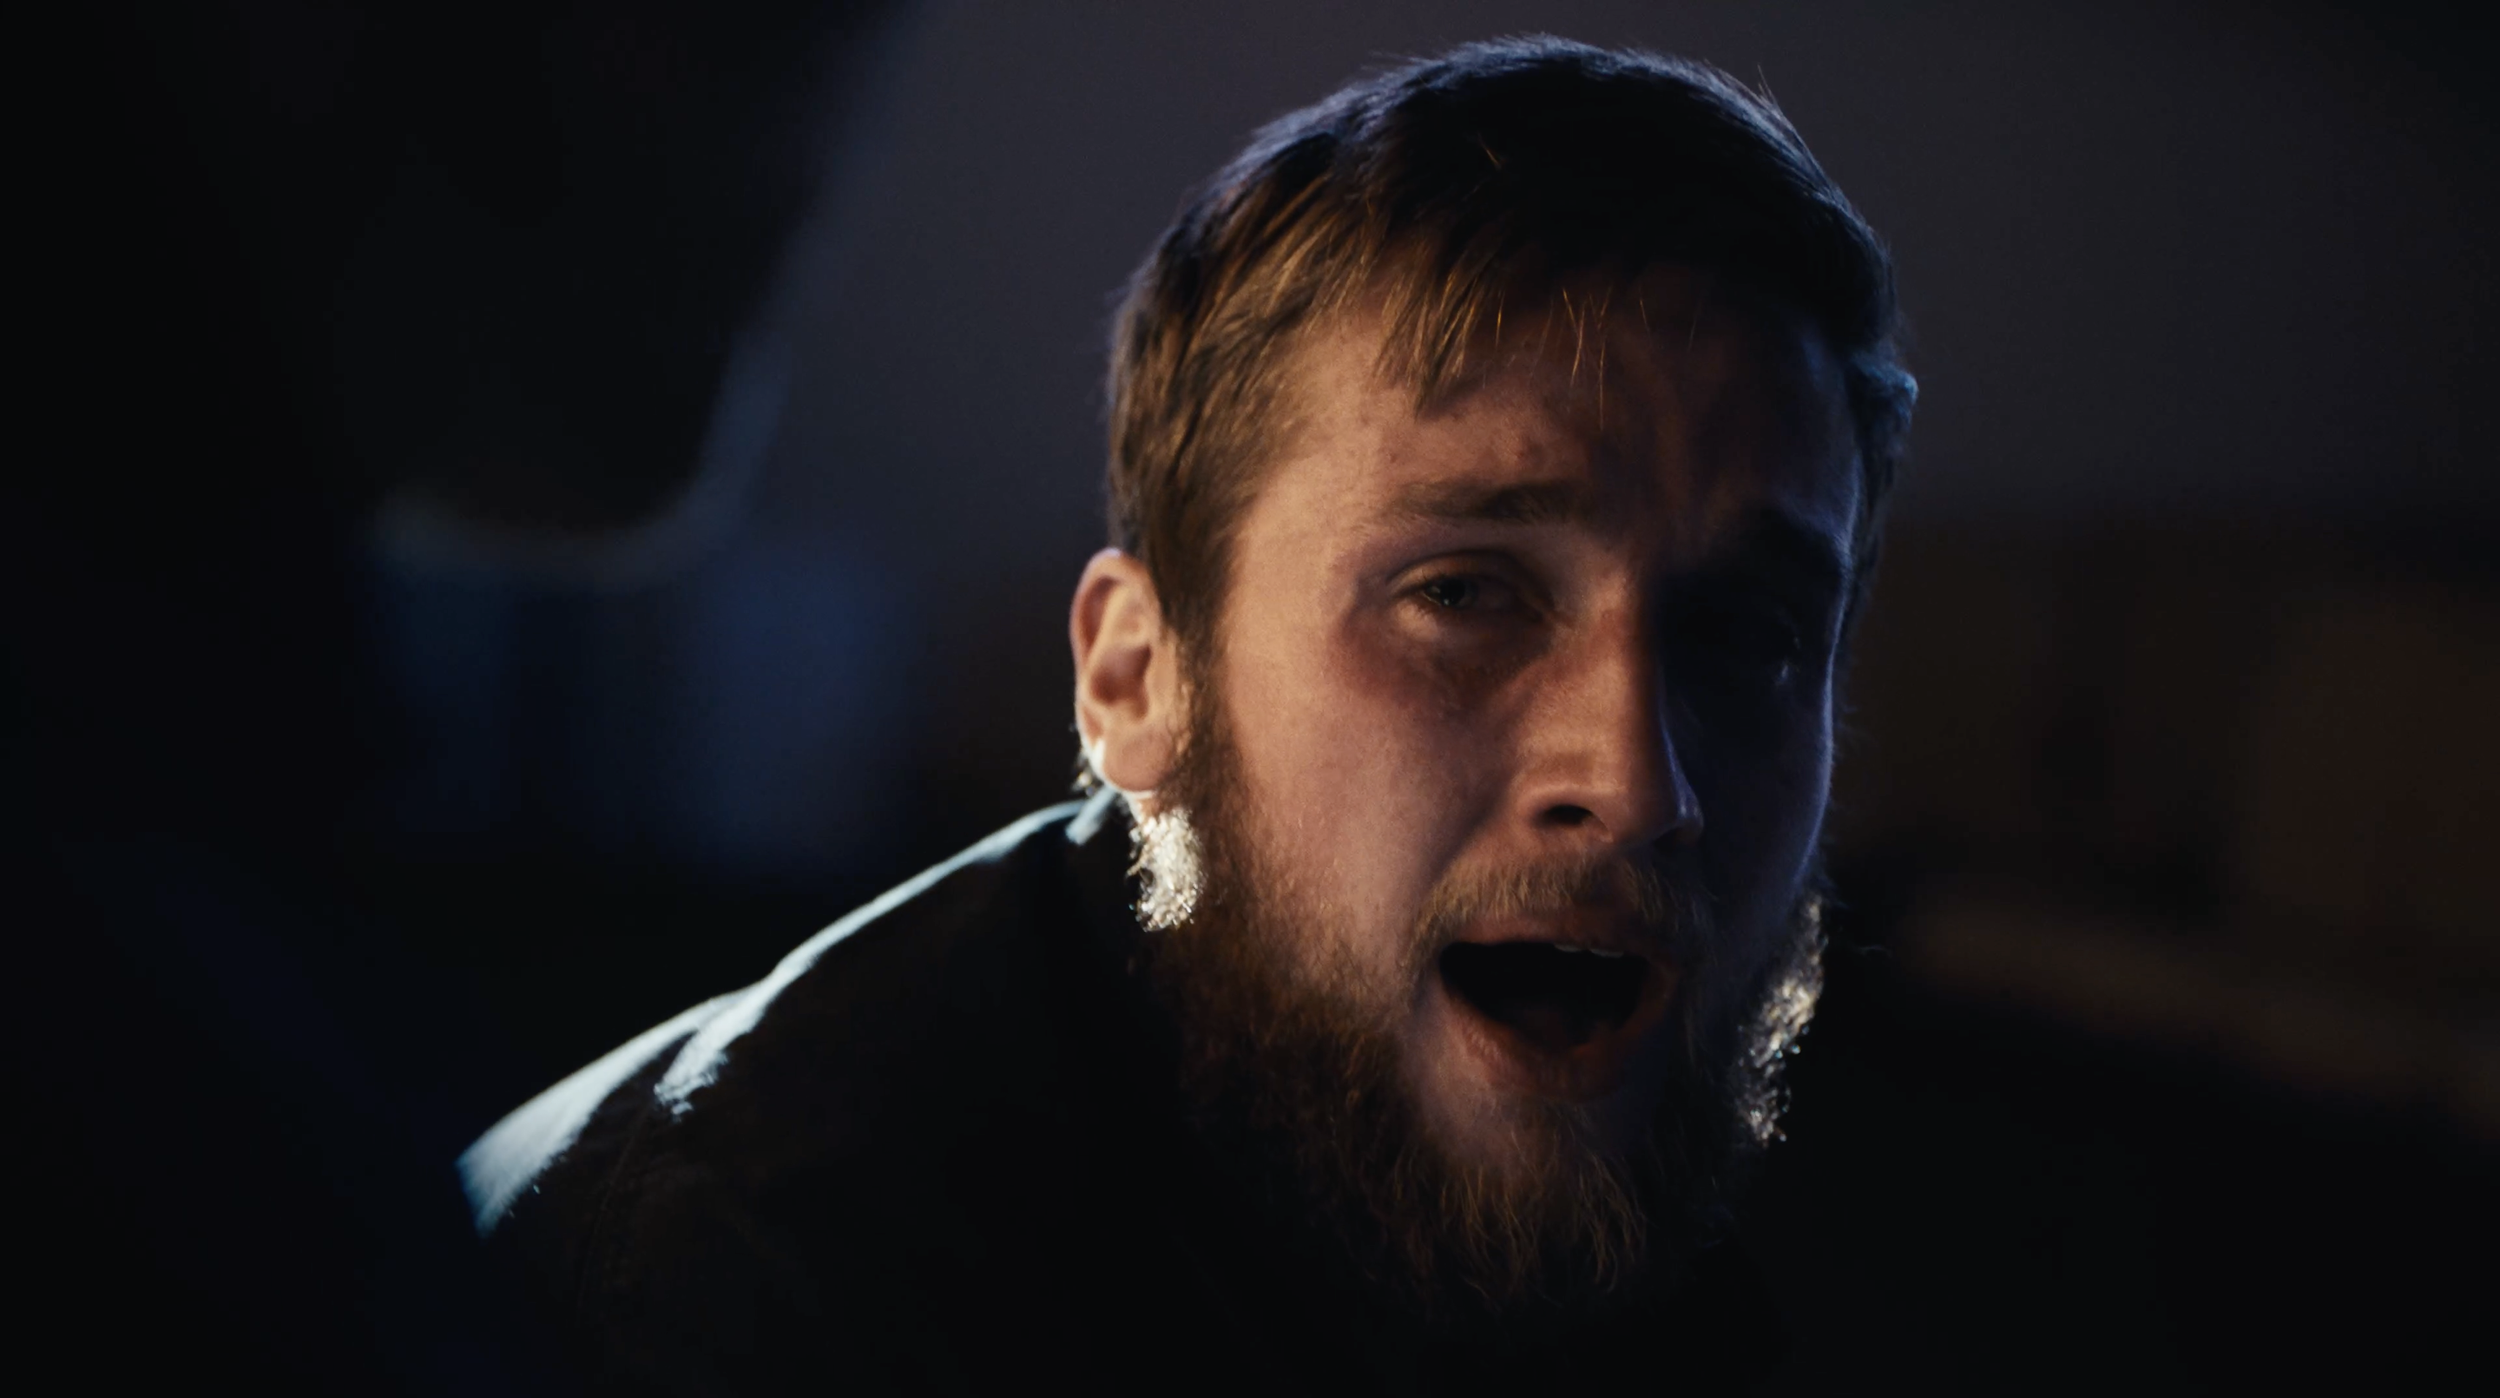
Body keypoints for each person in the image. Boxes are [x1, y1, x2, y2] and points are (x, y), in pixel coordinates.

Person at [460, 36, 1914, 1394]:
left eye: (1750, 633)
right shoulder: (724, 1297)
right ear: (1133, 679)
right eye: (1466, 594)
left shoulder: (1777, 1225)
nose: (1641, 781)